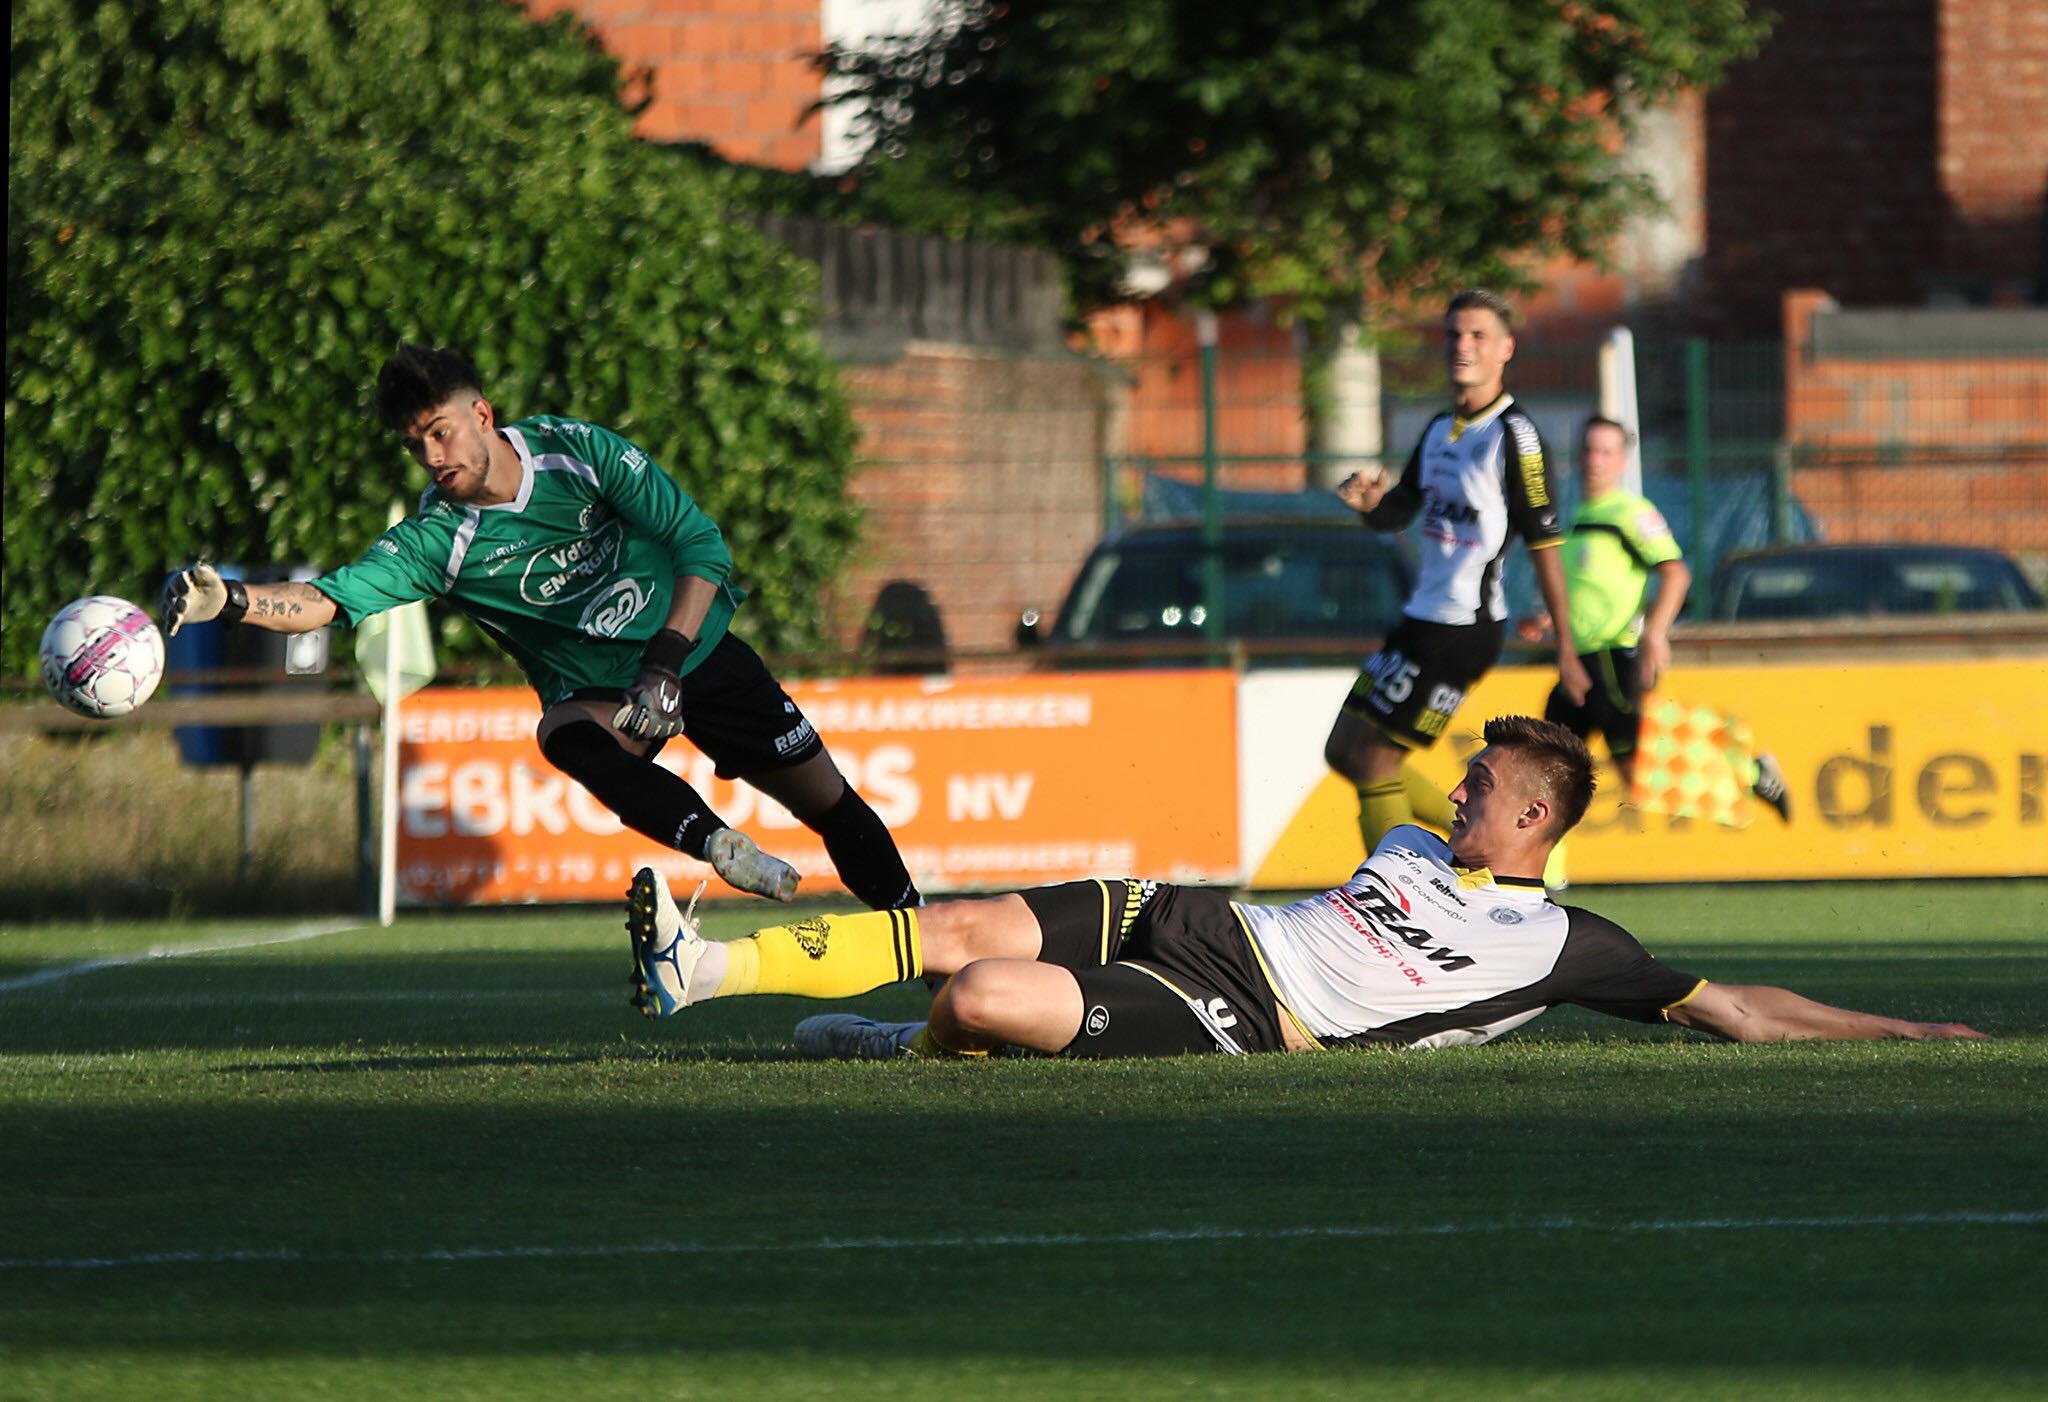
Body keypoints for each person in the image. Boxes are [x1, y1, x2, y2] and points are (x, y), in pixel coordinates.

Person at [624, 716, 1982, 1057]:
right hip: (1199, 914)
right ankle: (709, 966)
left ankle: (911, 1043)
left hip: (1244, 1015)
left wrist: (1911, 1032)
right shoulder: (1404, 847)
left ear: (1532, 812)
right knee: (964, 922)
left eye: (1478, 781)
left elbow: (1737, 1006)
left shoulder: (1567, 940)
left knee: (978, 992)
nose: (1453, 791)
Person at [159, 343, 919, 909]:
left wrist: (666, 660)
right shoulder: (438, 541)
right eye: (415, 443)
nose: (431, 455)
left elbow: (702, 546)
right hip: (601, 689)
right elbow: (328, 599)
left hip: (697, 650)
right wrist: (231, 601)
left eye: (441, 431)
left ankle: (923, 940)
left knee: (831, 805)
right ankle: (719, 844)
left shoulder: (580, 453)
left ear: (482, 415)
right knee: (564, 734)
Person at [1324, 290, 1591, 859]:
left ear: (1505, 349)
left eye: (1477, 336)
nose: (1462, 346)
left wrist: (1566, 645)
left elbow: (1545, 540)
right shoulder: (1441, 427)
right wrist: (1372, 506)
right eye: (1454, 335)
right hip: (1419, 619)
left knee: (1377, 762)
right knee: (1344, 750)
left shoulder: (1514, 437)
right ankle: (1487, 838)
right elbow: (1401, 509)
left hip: (1463, 629)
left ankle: (1391, 904)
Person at [1527, 415, 1791, 823]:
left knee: (1580, 770)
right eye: (1589, 449)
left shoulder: (1631, 513)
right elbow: (1587, 587)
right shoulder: (1579, 515)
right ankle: (1543, 877)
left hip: (1610, 659)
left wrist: (1654, 635)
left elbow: (1675, 572)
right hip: (1577, 659)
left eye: (1606, 452)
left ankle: (1752, 770)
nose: (1595, 460)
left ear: (1621, 462)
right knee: (1562, 774)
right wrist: (1549, 619)